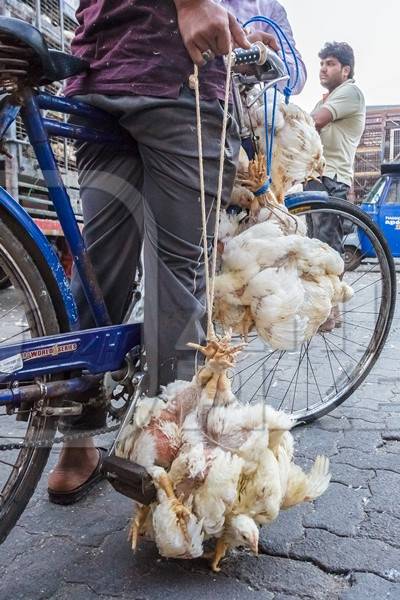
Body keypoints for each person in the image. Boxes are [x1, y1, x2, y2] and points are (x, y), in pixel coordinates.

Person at [47, 0, 305, 504]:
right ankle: (169, 466)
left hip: (104, 70)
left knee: (102, 272)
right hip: (174, 76)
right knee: (178, 275)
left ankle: (76, 447)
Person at [306, 42, 366, 253]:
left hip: (331, 178)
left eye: (330, 63)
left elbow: (314, 122)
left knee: (327, 249)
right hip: (316, 176)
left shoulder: (350, 92)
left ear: (345, 70)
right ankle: (320, 286)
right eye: (321, 63)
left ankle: (335, 287)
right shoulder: (324, 100)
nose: (323, 68)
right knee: (314, 248)